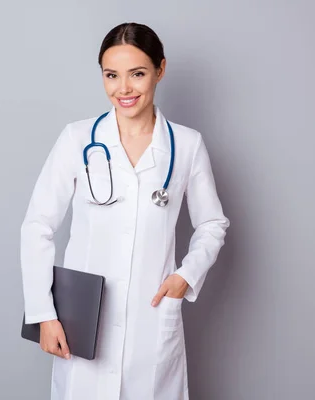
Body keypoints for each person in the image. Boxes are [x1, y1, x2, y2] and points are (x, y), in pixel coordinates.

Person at [20, 22, 230, 400]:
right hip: (82, 322)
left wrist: (187, 274)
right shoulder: (77, 139)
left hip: (151, 322)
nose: (124, 88)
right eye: (111, 75)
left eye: (138, 74)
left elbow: (212, 223)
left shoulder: (186, 145)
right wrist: (44, 314)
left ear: (160, 70)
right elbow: (37, 226)